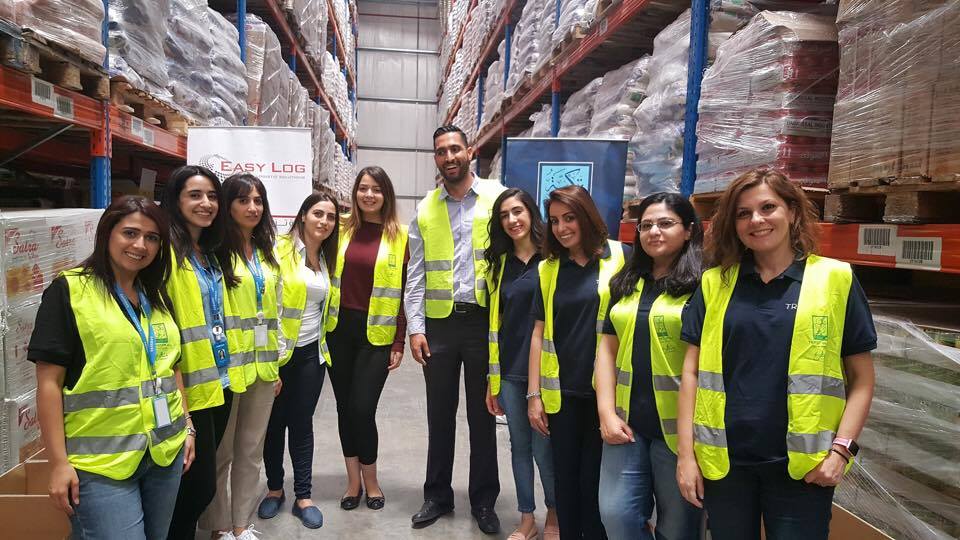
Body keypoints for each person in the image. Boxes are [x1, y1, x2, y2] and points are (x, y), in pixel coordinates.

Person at [675, 169, 876, 540]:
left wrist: (842, 451)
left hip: (803, 467)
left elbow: (862, 378)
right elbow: (691, 373)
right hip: (725, 463)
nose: (756, 220)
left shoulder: (835, 279)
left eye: (768, 207)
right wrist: (686, 456)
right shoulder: (715, 283)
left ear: (793, 212)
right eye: (743, 213)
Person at [30, 196, 191, 539]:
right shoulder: (71, 290)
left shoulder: (155, 294)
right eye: (130, 233)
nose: (140, 245)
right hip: (100, 464)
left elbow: (172, 367)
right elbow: (48, 383)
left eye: (152, 238)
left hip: (164, 452)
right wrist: (58, 463)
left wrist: (187, 426)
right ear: (107, 234)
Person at [406, 125, 505, 533]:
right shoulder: (425, 208)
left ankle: (483, 501)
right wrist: (416, 328)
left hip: (482, 321)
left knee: (484, 415)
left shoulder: (497, 198)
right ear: (436, 158)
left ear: (470, 151)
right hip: (440, 325)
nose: (449, 157)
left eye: (454, 149)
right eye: (441, 152)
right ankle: (437, 496)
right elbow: (415, 272)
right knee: (440, 415)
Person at [595, 193, 704, 540]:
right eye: (646, 225)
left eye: (665, 223)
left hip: (681, 431)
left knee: (677, 526)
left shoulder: (705, 285)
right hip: (628, 423)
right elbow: (606, 349)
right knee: (617, 515)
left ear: (689, 230)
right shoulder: (625, 282)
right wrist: (606, 414)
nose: (654, 231)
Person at [527, 185, 628, 540]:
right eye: (554, 221)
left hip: (609, 395)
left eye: (569, 217)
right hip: (563, 393)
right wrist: (534, 395)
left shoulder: (621, 257)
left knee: (596, 484)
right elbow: (538, 332)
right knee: (566, 481)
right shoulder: (549, 268)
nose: (561, 228)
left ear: (586, 216)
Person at [199, 174, 285, 540]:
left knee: (251, 450)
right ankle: (218, 526)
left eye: (258, 201)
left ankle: (241, 524)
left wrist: (276, 365)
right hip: (227, 369)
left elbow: (275, 312)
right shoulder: (214, 253)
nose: (252, 208)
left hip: (263, 367)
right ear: (227, 205)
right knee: (222, 453)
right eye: (243, 200)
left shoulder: (266, 252)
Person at [325, 167, 407, 512]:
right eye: (363, 188)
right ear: (355, 193)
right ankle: (353, 482)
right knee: (345, 409)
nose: (369, 195)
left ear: (386, 195)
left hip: (377, 334)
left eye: (376, 189)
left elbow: (405, 292)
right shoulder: (340, 228)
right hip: (337, 330)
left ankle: (371, 480)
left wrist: (399, 341)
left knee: (362, 408)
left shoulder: (400, 236)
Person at [161, 166, 236, 540]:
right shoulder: (164, 254)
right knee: (195, 485)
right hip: (186, 385)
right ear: (175, 201)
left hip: (218, 380)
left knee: (197, 484)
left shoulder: (209, 253)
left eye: (211, 196)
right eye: (194, 195)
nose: (206, 203)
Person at [258, 192, 339, 529]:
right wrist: (269, 361)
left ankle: (303, 496)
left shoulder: (328, 258)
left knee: (302, 424)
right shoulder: (279, 250)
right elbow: (264, 308)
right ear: (303, 215)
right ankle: (275, 489)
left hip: (311, 355)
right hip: (279, 355)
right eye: (318, 213)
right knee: (274, 424)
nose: (324, 221)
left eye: (331, 217)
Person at [483, 188, 559, 540]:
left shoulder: (553, 259)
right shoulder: (499, 265)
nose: (512, 220)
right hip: (510, 370)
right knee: (519, 447)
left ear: (531, 213)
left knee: (544, 449)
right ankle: (527, 518)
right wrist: (491, 380)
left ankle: (554, 514)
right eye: (504, 215)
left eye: (517, 211)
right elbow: (495, 324)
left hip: (546, 372)